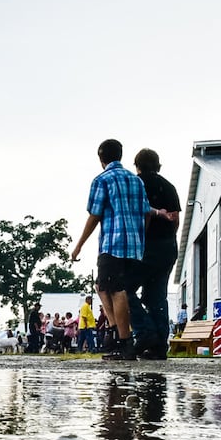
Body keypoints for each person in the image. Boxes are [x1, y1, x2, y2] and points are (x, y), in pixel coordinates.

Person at [70, 138, 149, 360]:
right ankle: (116, 332)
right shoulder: (136, 181)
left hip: (113, 243)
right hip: (134, 246)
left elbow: (94, 215)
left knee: (116, 290)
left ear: (101, 158)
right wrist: (141, 240)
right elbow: (146, 214)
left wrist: (78, 246)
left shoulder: (102, 180)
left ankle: (124, 341)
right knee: (103, 286)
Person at [128, 147, 181, 360]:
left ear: (137, 166)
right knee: (156, 296)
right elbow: (175, 219)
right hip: (168, 247)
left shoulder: (135, 184)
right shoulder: (169, 186)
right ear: (158, 166)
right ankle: (159, 346)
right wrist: (168, 237)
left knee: (123, 289)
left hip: (145, 246)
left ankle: (145, 332)